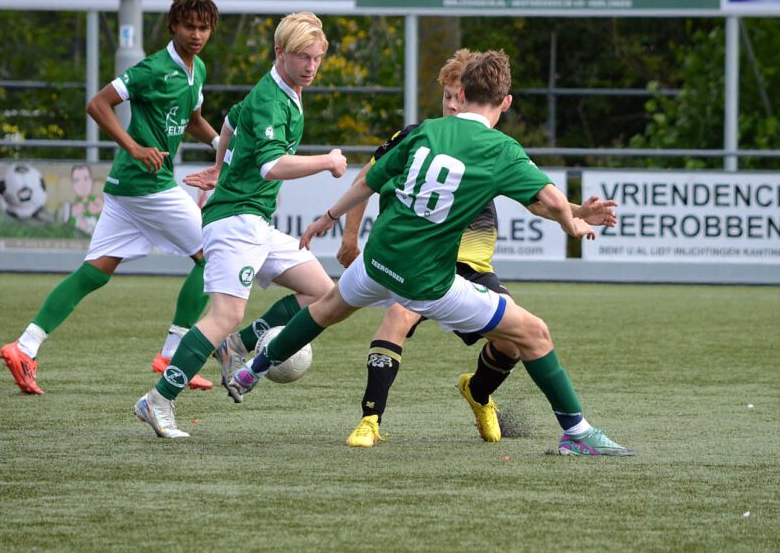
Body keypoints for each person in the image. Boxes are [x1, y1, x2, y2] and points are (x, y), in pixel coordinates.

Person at [228, 49, 634, 457]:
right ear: (506, 102)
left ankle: (252, 370)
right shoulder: (500, 149)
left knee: (326, 309)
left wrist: (328, 217)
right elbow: (550, 200)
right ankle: (576, 432)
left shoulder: (424, 131)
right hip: (426, 282)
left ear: (464, 93)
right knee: (534, 333)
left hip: (378, 260)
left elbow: (368, 181)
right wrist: (572, 223)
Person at [336, 49, 619, 448]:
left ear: (471, 96)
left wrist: (578, 212)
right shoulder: (421, 136)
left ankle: (478, 392)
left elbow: (538, 201)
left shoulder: (488, 147)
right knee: (398, 315)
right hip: (422, 263)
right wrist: (349, 238)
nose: (453, 105)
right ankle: (370, 419)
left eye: (458, 97)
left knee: (513, 341)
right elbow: (366, 179)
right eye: (447, 97)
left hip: (472, 265)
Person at [133, 11, 347, 438]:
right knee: (224, 314)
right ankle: (158, 399)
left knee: (323, 293)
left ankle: (237, 345)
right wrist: (327, 161)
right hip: (234, 222)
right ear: (280, 53)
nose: (311, 66)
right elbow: (271, 166)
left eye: (317, 58)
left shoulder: (282, 90)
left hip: (256, 222)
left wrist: (219, 166)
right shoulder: (271, 98)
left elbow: (230, 120)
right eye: (303, 57)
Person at [0, 0, 222, 395]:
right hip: (147, 185)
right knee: (212, 255)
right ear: (173, 25)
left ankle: (24, 346)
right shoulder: (152, 69)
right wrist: (133, 147)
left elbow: (193, 120)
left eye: (203, 28)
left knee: (94, 272)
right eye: (189, 26)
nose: (197, 34)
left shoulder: (197, 69)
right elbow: (98, 103)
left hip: (125, 189)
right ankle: (173, 355)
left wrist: (223, 146)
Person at [62, 164, 103, 236]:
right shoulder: (71, 206)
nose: (82, 184)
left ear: (92, 180)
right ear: (72, 184)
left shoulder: (97, 201)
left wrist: (96, 209)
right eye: (76, 180)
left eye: (86, 178)